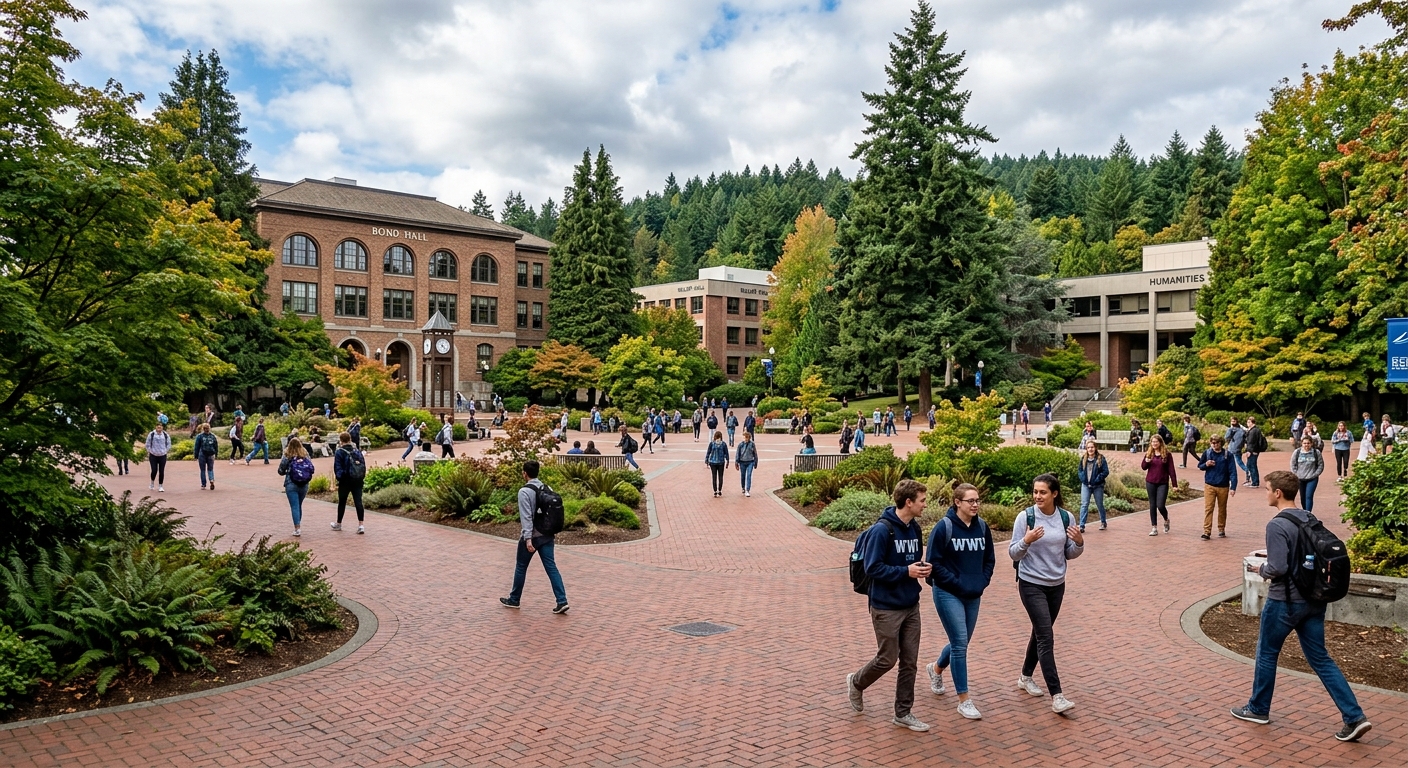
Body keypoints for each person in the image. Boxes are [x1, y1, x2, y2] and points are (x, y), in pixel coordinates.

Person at [1232, 470, 1371, 742]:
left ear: (1277, 493)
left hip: (1284, 602)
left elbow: (1279, 567)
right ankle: (1354, 716)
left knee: (1267, 653)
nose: (1266, 493)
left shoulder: (1276, 525)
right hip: (1314, 601)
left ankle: (1258, 709)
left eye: (1267, 489)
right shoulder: (1309, 518)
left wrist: (1261, 568)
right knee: (1321, 659)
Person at [847, 479, 932, 732]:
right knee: (887, 659)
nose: (925, 505)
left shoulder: (914, 528)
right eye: (922, 500)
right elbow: (873, 568)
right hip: (885, 606)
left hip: (911, 604)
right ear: (909, 502)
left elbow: (911, 561)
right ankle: (857, 682)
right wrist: (905, 571)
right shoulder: (882, 531)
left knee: (910, 661)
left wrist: (921, 569)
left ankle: (903, 713)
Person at [1009, 473, 1083, 714]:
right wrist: (1026, 540)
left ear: (1054, 494)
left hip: (1056, 584)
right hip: (1031, 584)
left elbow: (1069, 553)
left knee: (1040, 632)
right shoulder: (1026, 517)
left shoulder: (1065, 517)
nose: (1037, 496)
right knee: (1046, 636)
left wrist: (1079, 543)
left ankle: (1025, 676)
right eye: (1035, 492)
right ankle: (1057, 695)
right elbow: (1013, 553)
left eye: (1042, 492)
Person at [923, 482, 994, 721]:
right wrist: (957, 583)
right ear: (957, 502)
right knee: (961, 642)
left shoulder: (982, 527)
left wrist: (982, 581)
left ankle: (935, 669)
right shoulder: (944, 528)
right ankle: (964, 700)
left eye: (977, 500)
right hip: (947, 592)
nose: (975, 505)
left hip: (974, 593)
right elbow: (934, 563)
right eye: (970, 501)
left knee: (959, 642)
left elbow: (989, 560)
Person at [500, 460, 569, 614]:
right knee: (551, 567)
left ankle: (514, 599)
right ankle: (562, 600)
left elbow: (526, 517)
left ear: (525, 473)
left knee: (521, 567)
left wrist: (528, 538)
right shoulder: (546, 487)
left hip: (533, 536)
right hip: (547, 534)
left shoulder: (524, 492)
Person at [1195, 434, 1237, 540]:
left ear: (1221, 443)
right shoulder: (1207, 453)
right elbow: (1200, 466)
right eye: (1212, 443)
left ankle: (1221, 528)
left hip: (1223, 486)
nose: (1214, 445)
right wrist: (1206, 464)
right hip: (1209, 485)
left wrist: (1233, 487)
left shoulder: (1228, 455)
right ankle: (1206, 531)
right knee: (1209, 508)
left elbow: (1233, 471)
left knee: (1222, 509)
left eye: (1216, 443)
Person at [277, 437, 314, 537]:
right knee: (299, 505)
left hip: (291, 483)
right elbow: (311, 467)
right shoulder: (305, 454)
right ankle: (298, 525)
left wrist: (287, 471)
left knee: (294, 506)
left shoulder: (287, 454)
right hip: (304, 484)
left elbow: (280, 470)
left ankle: (297, 528)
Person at [332, 431, 366, 534]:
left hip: (345, 481)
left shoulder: (339, 452)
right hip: (357, 480)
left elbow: (337, 468)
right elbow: (363, 465)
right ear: (350, 439)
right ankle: (361, 525)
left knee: (342, 502)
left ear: (341, 440)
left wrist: (340, 478)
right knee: (358, 502)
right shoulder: (356, 451)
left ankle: (339, 523)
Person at [1142, 434, 1177, 536]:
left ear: (1160, 442)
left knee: (1160, 505)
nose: (1154, 444)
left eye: (1156, 442)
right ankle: (1154, 527)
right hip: (1150, 482)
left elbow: (1171, 470)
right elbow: (1143, 467)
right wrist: (1146, 461)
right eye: (1153, 442)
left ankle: (1166, 519)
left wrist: (1174, 484)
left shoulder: (1167, 454)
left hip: (1162, 483)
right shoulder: (1149, 453)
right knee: (1152, 505)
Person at [1077, 443, 1109, 532]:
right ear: (1086, 449)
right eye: (1088, 447)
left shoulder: (1101, 458)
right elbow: (1079, 470)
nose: (1090, 449)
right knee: (1084, 504)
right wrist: (1083, 479)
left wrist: (1097, 479)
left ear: (1095, 448)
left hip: (1097, 485)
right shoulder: (1083, 459)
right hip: (1086, 485)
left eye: (1092, 447)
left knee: (1099, 504)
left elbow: (1105, 471)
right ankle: (1082, 525)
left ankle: (1103, 522)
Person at [1291, 436, 1325, 513]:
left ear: (1311, 444)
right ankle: (1305, 512)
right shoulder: (1297, 452)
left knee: (1309, 496)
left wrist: (1315, 474)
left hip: (1312, 478)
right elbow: (1293, 465)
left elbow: (1320, 465)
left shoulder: (1316, 453)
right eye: (1304, 443)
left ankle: (1308, 513)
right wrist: (1296, 474)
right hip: (1300, 478)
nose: (1306, 445)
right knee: (1302, 497)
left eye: (1308, 443)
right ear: (1302, 444)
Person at [145, 422, 170, 492]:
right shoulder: (151, 434)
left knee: (161, 471)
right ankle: (152, 482)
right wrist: (150, 451)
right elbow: (147, 444)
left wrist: (165, 451)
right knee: (154, 470)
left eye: (160, 426)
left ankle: (160, 485)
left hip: (162, 455)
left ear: (162, 427)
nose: (159, 428)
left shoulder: (165, 435)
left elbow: (168, 444)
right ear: (156, 427)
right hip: (153, 455)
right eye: (158, 426)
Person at [194, 423, 219, 490]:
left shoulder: (200, 436)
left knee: (202, 470)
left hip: (202, 454)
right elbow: (216, 446)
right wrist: (216, 454)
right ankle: (211, 479)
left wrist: (196, 455)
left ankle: (203, 484)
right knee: (210, 469)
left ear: (203, 429)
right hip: (211, 454)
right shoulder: (213, 436)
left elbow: (197, 446)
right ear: (209, 428)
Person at [705, 431, 729, 497]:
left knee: (720, 476)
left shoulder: (723, 444)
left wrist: (727, 460)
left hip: (720, 462)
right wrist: (706, 460)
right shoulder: (712, 444)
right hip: (713, 462)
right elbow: (708, 452)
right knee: (714, 476)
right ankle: (715, 490)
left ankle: (719, 490)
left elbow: (726, 453)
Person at [1245, 416, 1267, 487]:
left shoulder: (1253, 431)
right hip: (1255, 450)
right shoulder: (1256, 430)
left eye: (1248, 422)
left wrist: (1249, 451)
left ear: (1252, 422)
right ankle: (1253, 481)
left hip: (1253, 451)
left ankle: (1255, 482)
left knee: (1252, 466)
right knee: (1251, 465)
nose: (1247, 423)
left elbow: (1251, 442)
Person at [736, 430, 758, 497]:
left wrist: (756, 462)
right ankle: (743, 487)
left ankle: (747, 490)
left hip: (750, 462)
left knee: (748, 475)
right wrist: (736, 462)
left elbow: (755, 453)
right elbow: (738, 453)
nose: (745, 439)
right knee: (743, 475)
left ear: (749, 438)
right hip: (742, 462)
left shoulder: (752, 444)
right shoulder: (740, 445)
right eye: (744, 438)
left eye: (746, 438)